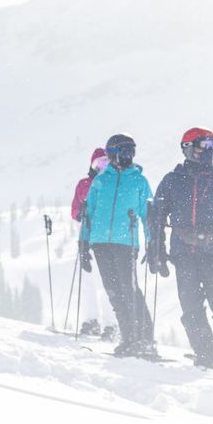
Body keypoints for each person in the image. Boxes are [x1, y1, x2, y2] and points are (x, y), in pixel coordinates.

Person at [145, 127, 213, 370]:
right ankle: (205, 356)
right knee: (191, 309)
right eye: (204, 145)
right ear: (188, 147)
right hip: (184, 256)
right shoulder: (172, 181)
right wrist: (156, 250)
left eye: (212, 145)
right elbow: (157, 217)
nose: (209, 150)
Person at [79, 133, 160, 359]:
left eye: (131, 152)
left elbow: (148, 215)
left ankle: (144, 339)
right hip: (100, 243)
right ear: (112, 153)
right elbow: (89, 214)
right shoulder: (100, 181)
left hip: (126, 242)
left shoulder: (139, 181)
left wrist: (153, 244)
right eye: (124, 152)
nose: (128, 156)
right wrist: (84, 243)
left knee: (129, 290)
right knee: (114, 293)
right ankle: (129, 338)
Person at [69, 148, 110, 337]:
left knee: (106, 281)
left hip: (105, 238)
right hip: (87, 236)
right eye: (99, 164)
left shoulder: (110, 183)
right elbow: (74, 210)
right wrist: (81, 212)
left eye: (106, 163)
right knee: (87, 281)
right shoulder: (84, 184)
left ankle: (111, 323)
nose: (103, 167)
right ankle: (91, 320)